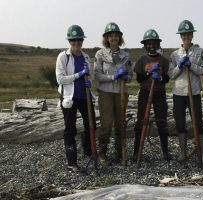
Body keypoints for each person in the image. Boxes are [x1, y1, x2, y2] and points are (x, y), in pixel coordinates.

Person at [168, 20, 203, 163]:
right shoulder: (174, 54)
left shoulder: (199, 51)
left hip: (194, 92)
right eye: (183, 34)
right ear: (181, 36)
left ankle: (202, 154)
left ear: (192, 35)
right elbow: (171, 74)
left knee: (198, 122)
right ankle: (183, 153)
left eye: (188, 34)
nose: (186, 36)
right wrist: (179, 66)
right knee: (180, 123)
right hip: (179, 93)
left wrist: (191, 66)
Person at [56, 25, 94, 172]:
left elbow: (88, 74)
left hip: (85, 96)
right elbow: (60, 79)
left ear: (82, 41)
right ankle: (71, 162)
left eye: (79, 40)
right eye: (73, 40)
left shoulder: (85, 56)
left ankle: (88, 150)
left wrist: (88, 80)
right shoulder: (63, 57)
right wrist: (78, 75)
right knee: (70, 130)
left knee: (91, 125)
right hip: (69, 97)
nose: (76, 43)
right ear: (69, 41)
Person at [94, 22, 132, 165]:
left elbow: (130, 75)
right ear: (107, 38)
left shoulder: (126, 55)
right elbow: (97, 76)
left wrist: (127, 77)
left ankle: (120, 152)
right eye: (111, 36)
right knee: (106, 124)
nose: (114, 38)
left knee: (120, 123)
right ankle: (102, 153)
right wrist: (113, 77)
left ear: (119, 38)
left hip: (121, 93)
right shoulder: (100, 54)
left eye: (116, 36)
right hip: (106, 93)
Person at [133, 29, 171, 161]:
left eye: (154, 43)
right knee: (141, 121)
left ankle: (165, 152)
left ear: (158, 44)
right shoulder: (142, 60)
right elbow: (139, 79)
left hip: (159, 93)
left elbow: (167, 78)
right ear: (145, 45)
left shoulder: (163, 60)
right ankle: (136, 152)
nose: (151, 46)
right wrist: (149, 73)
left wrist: (160, 78)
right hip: (145, 92)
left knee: (162, 121)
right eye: (148, 43)